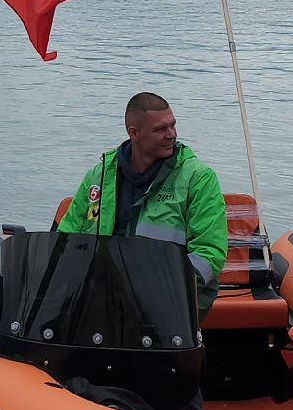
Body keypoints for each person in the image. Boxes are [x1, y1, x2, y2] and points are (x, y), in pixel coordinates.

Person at [58, 92, 228, 316]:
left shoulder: (197, 177)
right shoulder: (100, 175)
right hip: (102, 296)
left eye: (173, 126)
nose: (172, 135)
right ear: (134, 133)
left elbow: (209, 253)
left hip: (171, 300)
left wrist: (161, 290)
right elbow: (67, 236)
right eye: (161, 129)